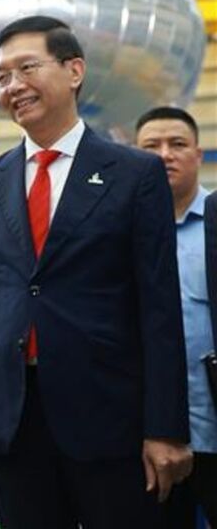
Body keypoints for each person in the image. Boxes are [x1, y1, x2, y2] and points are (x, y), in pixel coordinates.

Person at [0, 15, 192, 529]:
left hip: (110, 418)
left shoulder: (134, 174)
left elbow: (159, 307)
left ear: (74, 71)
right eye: (1, 76)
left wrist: (166, 428)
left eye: (27, 68)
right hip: (13, 421)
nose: (13, 86)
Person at [135, 106, 217, 527]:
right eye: (151, 146)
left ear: (199, 155)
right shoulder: (121, 235)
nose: (164, 154)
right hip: (151, 439)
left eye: (177, 144)